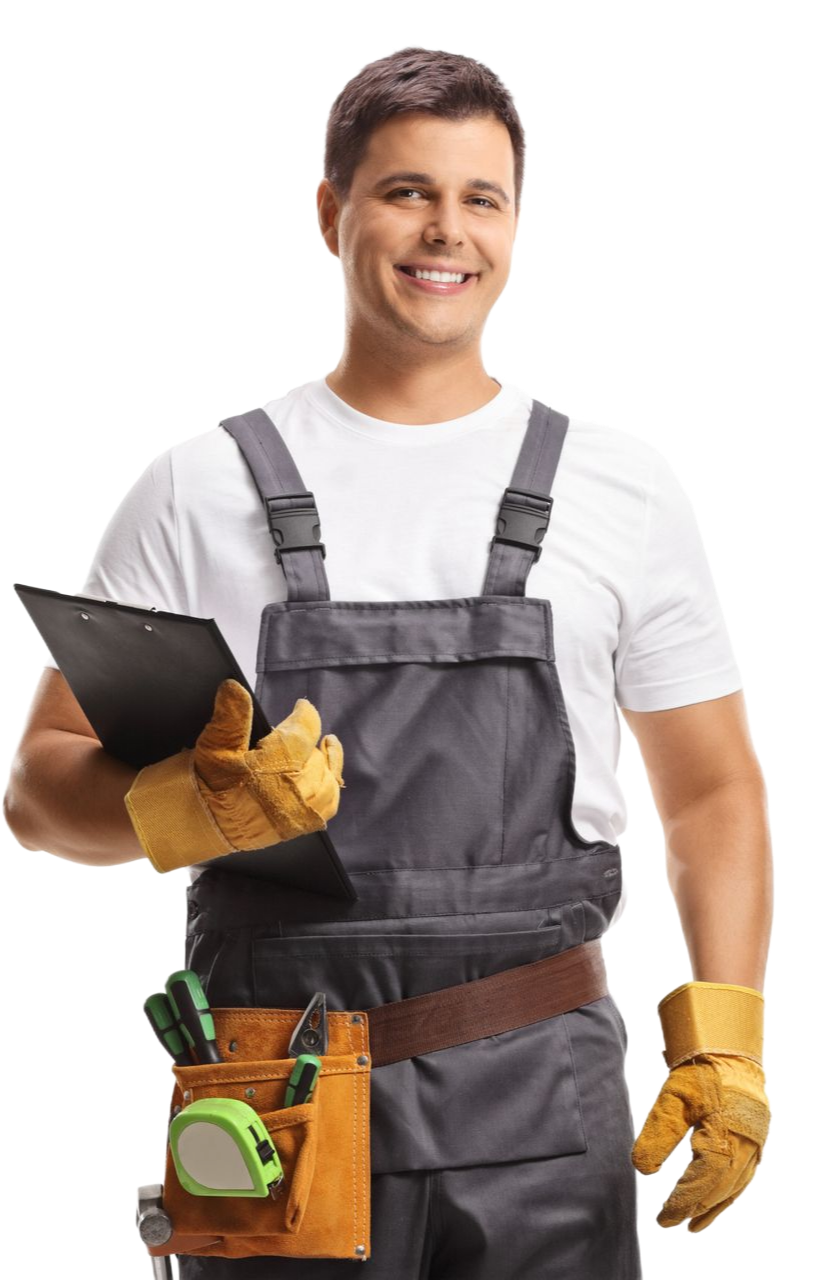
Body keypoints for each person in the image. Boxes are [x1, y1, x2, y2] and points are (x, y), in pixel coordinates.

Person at [1, 41, 774, 1280]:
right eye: (407, 190)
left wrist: (726, 1031)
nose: (445, 231)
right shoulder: (197, 486)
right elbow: (41, 791)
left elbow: (711, 786)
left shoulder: (621, 480)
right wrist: (185, 802)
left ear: (518, 221)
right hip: (275, 1099)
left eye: (481, 198)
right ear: (330, 210)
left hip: (539, 1085)